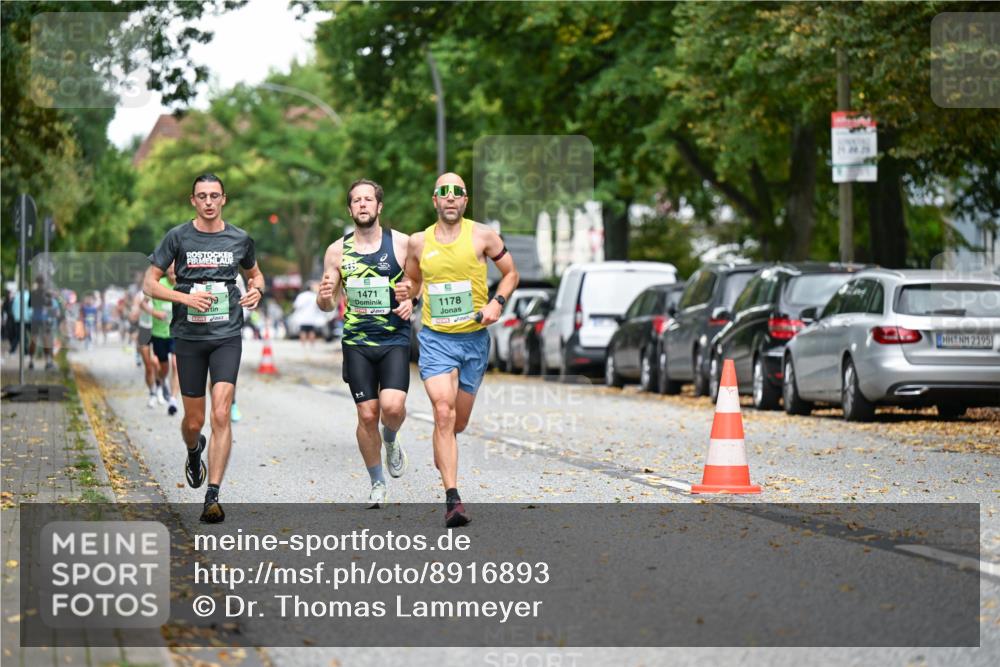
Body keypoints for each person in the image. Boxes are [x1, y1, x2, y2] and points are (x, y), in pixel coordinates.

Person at [395, 173, 519, 527]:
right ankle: (453, 498)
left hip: (475, 340)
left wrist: (497, 303)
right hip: (435, 339)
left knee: (457, 423)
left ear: (465, 200)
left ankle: (444, 447)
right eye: (443, 193)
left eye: (457, 193)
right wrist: (410, 294)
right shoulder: (419, 242)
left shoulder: (483, 236)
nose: (450, 198)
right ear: (434, 200)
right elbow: (414, 279)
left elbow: (511, 274)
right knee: (444, 412)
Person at [143, 174, 264, 524]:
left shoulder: (240, 238)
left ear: (224, 199)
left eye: (214, 195)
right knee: (194, 422)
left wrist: (256, 289)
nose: (208, 201)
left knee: (221, 413)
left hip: (227, 335)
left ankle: (213, 494)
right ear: (192, 200)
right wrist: (185, 297)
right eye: (202, 196)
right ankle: (194, 450)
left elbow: (256, 275)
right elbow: (149, 283)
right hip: (189, 338)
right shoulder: (177, 237)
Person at [318, 179, 413, 509]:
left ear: (379, 206)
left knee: (392, 409)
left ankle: (391, 438)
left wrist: (411, 299)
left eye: (368, 199)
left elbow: (419, 283)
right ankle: (377, 483)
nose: (362, 205)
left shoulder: (401, 244)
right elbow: (327, 304)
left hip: (394, 339)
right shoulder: (336, 250)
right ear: (350, 209)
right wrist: (324, 298)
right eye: (356, 200)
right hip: (357, 342)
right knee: (367, 414)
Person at [150, 262, 181, 416]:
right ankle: (162, 382)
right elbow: (143, 304)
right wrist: (154, 312)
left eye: (174, 269)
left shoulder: (183, 285)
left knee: (176, 364)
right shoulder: (158, 284)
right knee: (164, 368)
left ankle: (173, 399)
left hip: (176, 333)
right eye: (169, 269)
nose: (172, 272)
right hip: (159, 333)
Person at [131, 284, 160, 407]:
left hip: (158, 330)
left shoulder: (162, 291)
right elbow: (133, 314)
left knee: (156, 363)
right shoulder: (140, 295)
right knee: (148, 365)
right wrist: (135, 312)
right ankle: (152, 393)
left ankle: (160, 385)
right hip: (144, 330)